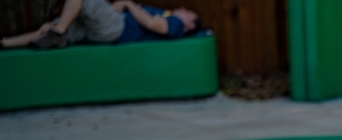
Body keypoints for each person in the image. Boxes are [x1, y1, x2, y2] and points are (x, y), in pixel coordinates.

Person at [0, 0, 198, 50]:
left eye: (188, 12)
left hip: (117, 27)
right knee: (46, 29)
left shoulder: (176, 24)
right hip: (105, 28)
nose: (182, 8)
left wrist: (129, 4)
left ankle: (58, 32)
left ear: (189, 24)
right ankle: (5, 43)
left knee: (58, 27)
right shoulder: (171, 17)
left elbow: (152, 24)